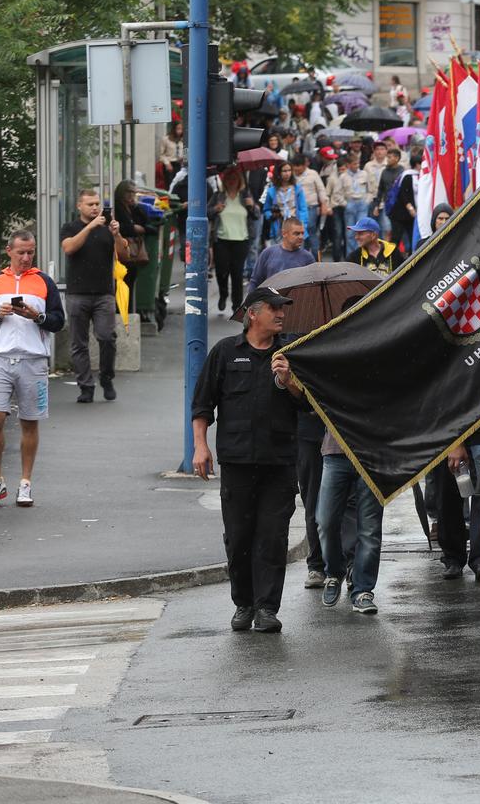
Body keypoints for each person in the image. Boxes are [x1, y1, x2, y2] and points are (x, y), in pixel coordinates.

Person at [190, 287, 305, 633]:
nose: (281, 314)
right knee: (239, 537)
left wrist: (288, 381)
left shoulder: (291, 354)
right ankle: (243, 602)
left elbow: (309, 405)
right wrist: (200, 446)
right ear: (253, 314)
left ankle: (267, 608)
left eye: (283, 308)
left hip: (279, 462)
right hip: (237, 462)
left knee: (272, 537)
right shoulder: (226, 352)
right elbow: (202, 404)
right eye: (274, 308)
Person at [0, 231, 65, 508]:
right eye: (21, 252)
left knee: (29, 421)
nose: (26, 258)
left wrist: (37, 316)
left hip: (33, 360)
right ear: (8, 251)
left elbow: (58, 321)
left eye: (31, 252)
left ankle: (25, 482)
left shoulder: (44, 281)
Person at [60, 190, 127, 403]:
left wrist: (116, 234)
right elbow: (69, 248)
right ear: (79, 206)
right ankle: (86, 386)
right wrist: (90, 227)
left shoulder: (108, 228)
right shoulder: (70, 227)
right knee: (79, 343)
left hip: (103, 294)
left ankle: (106, 378)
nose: (95, 208)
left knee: (107, 337)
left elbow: (125, 255)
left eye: (97, 203)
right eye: (90, 204)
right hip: (77, 293)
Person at [316, 423, 384, 615]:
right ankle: (334, 572)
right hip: (336, 451)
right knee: (325, 521)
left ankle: (363, 590)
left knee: (369, 529)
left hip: (373, 453)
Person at [208, 170, 257, 317]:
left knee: (237, 273)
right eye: (228, 177)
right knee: (221, 271)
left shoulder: (245, 196)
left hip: (241, 240)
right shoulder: (218, 196)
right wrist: (216, 209)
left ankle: (237, 304)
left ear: (239, 180)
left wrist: (252, 206)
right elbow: (206, 212)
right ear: (224, 180)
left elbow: (256, 216)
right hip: (221, 240)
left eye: (234, 177)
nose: (231, 180)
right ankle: (223, 294)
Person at [111, 181, 155, 317]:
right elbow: (117, 227)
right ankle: (122, 313)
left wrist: (136, 207)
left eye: (133, 193)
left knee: (129, 284)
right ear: (121, 193)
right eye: (128, 192)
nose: (131, 196)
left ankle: (127, 313)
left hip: (132, 255)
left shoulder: (133, 208)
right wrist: (133, 228)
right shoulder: (117, 208)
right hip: (120, 252)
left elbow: (148, 225)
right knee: (121, 285)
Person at [249, 218, 314, 294]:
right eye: (296, 233)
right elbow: (255, 281)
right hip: (269, 302)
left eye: (302, 233)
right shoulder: (268, 253)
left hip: (296, 302)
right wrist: (251, 303)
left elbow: (313, 287)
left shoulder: (307, 258)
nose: (301, 237)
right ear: (284, 233)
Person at [291, 154, 329, 259]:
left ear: (304, 165)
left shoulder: (313, 174)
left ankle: (316, 257)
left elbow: (321, 189)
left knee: (309, 230)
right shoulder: (292, 176)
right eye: (295, 166)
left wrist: (324, 204)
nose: (296, 169)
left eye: (298, 166)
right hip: (296, 209)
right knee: (300, 233)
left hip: (311, 207)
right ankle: (304, 257)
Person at [344, 149, 373, 257]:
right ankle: (351, 256)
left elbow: (371, 190)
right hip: (350, 204)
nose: (357, 165)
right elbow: (338, 193)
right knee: (350, 233)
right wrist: (345, 203)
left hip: (362, 204)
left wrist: (367, 201)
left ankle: (361, 255)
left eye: (358, 163)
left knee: (362, 231)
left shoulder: (364, 174)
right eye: (354, 163)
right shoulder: (343, 176)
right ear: (348, 165)